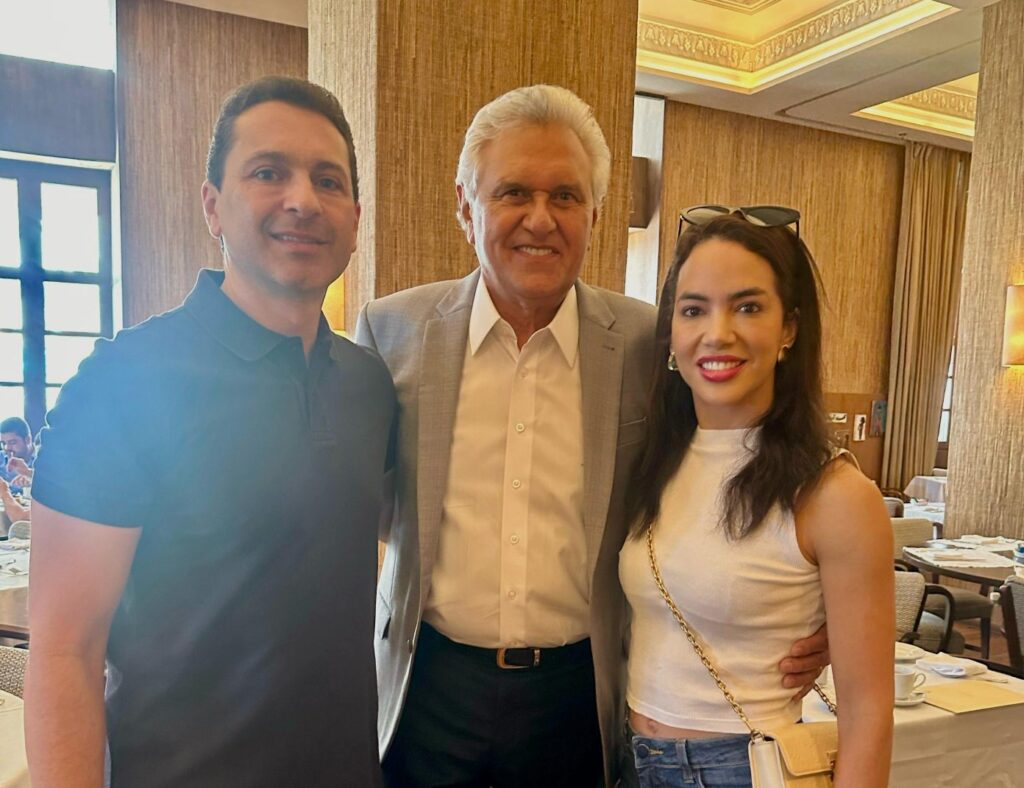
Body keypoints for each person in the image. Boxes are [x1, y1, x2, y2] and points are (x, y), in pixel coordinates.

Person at [357, 86, 830, 788]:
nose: (540, 219)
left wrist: (824, 610)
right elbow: (355, 508)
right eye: (513, 192)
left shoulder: (649, 343)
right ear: (465, 206)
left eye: (566, 196)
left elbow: (738, 463)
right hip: (429, 685)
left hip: (580, 694)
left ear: (595, 215)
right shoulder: (392, 331)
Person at [25, 76, 395, 788]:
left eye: (327, 180)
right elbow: (66, 650)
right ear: (212, 205)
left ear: (354, 219)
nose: (302, 199)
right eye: (268, 172)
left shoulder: (368, 386)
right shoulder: (123, 383)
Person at [619, 208, 894, 787]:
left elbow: (868, 712)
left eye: (747, 307)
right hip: (633, 758)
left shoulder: (834, 494)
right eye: (694, 309)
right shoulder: (653, 462)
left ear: (789, 328)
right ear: (670, 334)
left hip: (744, 768)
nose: (718, 332)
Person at [1, 416, 35, 490]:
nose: (7, 448)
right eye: (3, 443)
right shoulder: (1, 457)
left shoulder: (45, 458)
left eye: (12, 442)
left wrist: (31, 476)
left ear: (28, 440)